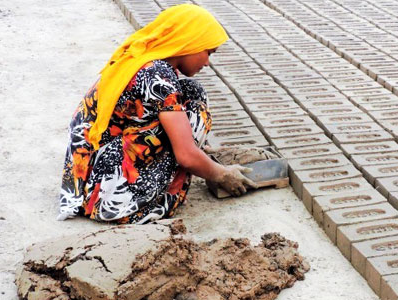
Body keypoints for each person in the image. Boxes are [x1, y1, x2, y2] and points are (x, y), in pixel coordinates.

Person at [57, 4, 256, 224]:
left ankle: (196, 160)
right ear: (188, 44)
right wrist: (220, 174)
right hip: (107, 190)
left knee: (191, 90)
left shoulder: (142, 58)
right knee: (194, 111)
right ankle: (140, 202)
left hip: (88, 172)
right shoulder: (158, 77)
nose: (208, 62)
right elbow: (186, 156)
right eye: (208, 52)